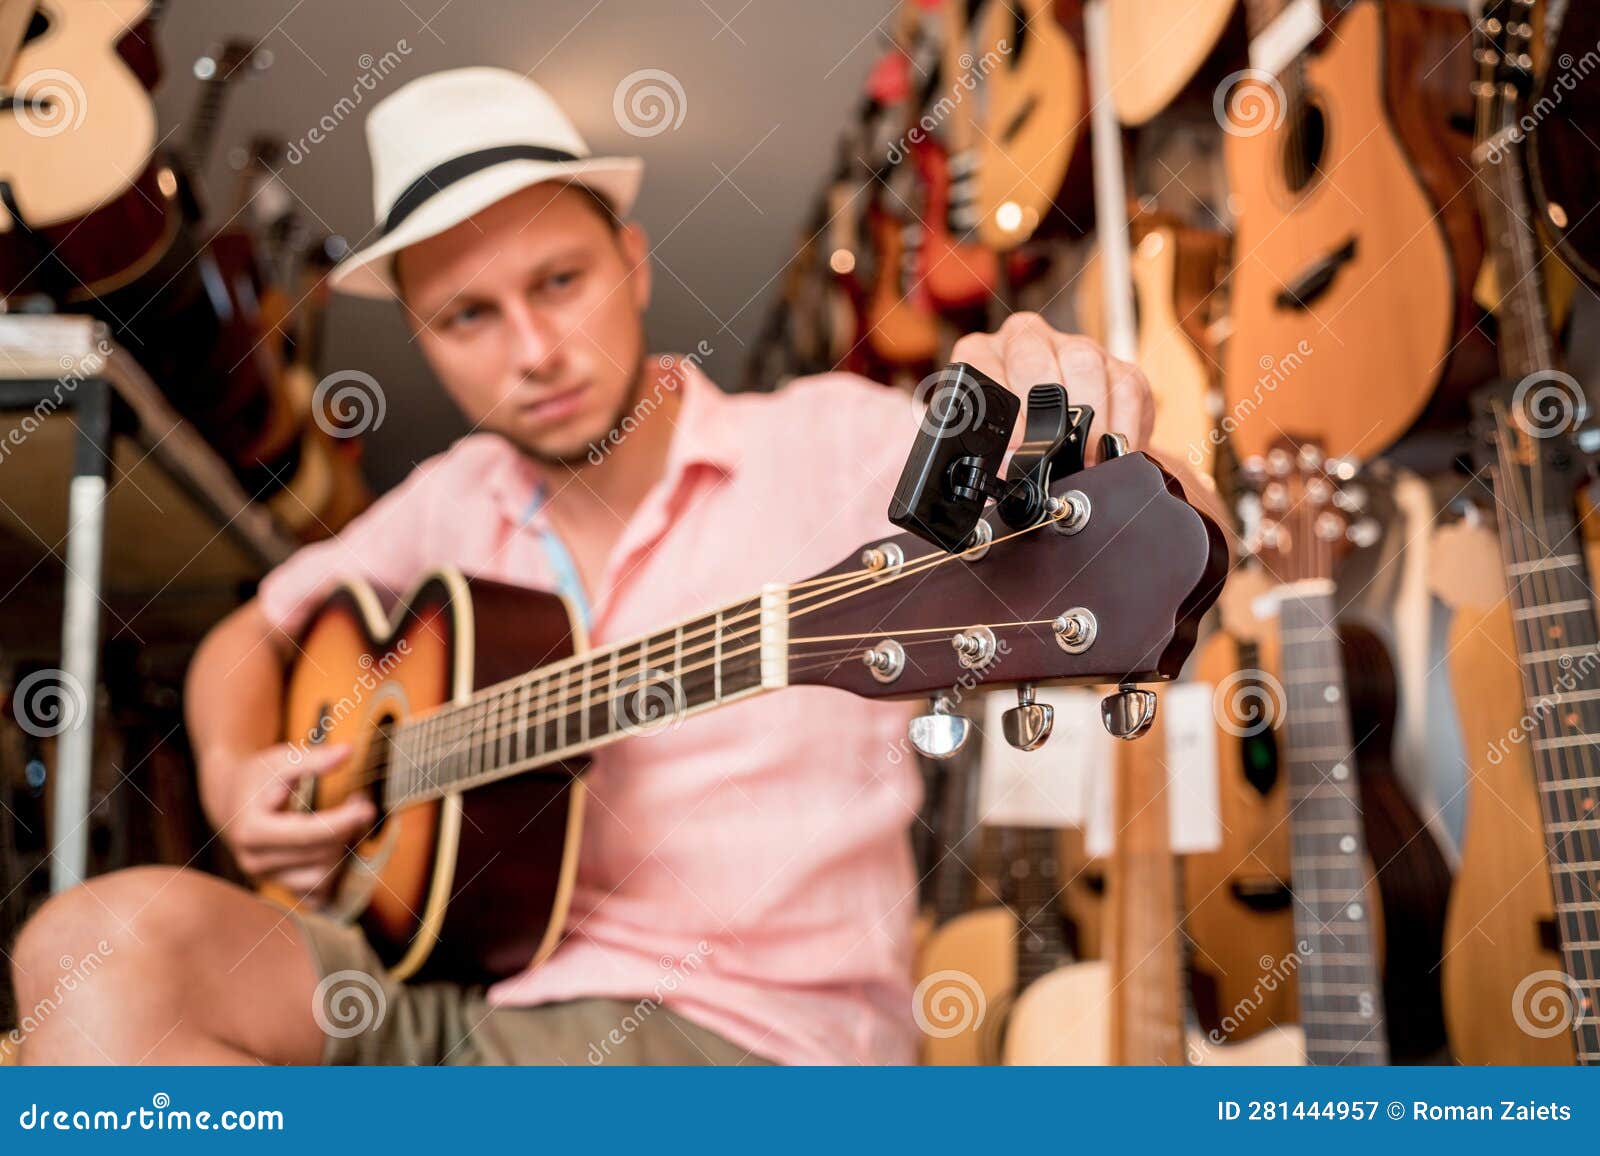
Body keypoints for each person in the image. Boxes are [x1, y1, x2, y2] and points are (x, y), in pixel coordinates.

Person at [10, 67, 1173, 1066]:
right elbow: (250, 635)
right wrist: (231, 776)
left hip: (739, 1035)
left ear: (631, 260)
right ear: (422, 336)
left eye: (559, 282)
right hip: (436, 985)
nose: (532, 352)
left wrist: (1089, 424)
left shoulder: (833, 438)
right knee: (78, 954)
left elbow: (1156, 548)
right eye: (469, 316)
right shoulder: (447, 499)